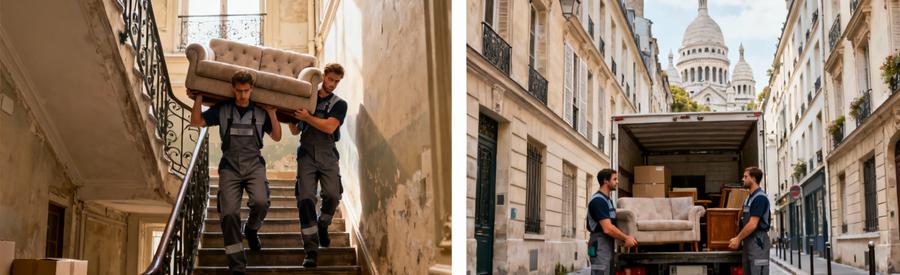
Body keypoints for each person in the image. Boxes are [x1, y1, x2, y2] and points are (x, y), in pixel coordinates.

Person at [188, 70, 281, 275]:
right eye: (239, 91)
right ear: (233, 89)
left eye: (246, 91)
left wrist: (272, 113)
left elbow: (276, 136)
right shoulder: (222, 109)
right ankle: (237, 265)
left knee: (261, 201)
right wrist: (198, 98)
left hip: (254, 164)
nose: (242, 95)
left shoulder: (260, 111)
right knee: (229, 213)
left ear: (251, 89)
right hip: (230, 166)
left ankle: (251, 229)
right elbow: (196, 122)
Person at [287, 63, 348, 267]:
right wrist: (288, 114)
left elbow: (329, 127)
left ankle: (323, 223)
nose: (332, 84)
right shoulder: (307, 98)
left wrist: (307, 117)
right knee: (305, 199)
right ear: (323, 76)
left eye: (336, 81)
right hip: (306, 154)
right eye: (330, 79)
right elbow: (295, 131)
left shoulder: (340, 104)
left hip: (328, 154)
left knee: (333, 195)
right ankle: (311, 250)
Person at [586, 169, 638, 275]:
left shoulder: (607, 200)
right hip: (599, 243)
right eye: (614, 179)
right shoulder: (598, 201)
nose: (617, 182)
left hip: (606, 243)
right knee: (601, 272)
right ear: (606, 181)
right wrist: (626, 238)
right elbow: (608, 228)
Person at [729, 166, 771, 275]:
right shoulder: (749, 198)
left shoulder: (760, 198)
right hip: (749, 241)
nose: (743, 179)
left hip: (759, 242)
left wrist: (738, 238)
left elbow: (752, 224)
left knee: (758, 272)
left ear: (753, 179)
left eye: (745, 177)